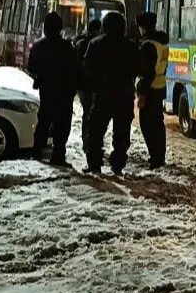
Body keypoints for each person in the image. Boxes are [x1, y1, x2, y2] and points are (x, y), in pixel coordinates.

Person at [83, 11, 138, 175]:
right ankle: (118, 165)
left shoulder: (95, 44)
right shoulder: (131, 46)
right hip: (124, 96)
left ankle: (94, 165)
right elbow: (137, 68)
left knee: (95, 132)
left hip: (102, 95)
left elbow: (88, 68)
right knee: (121, 134)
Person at [26, 12, 79, 166]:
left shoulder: (38, 46)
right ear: (60, 28)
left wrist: (41, 76)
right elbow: (74, 69)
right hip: (64, 93)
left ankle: (37, 151)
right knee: (62, 126)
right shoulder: (67, 47)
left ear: (45, 28)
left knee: (43, 122)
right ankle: (58, 156)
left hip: (47, 91)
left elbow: (31, 68)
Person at [136, 11, 169, 169]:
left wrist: (142, 93)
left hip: (149, 89)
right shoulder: (162, 42)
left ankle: (155, 158)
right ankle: (159, 157)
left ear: (144, 27)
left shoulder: (148, 45)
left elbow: (147, 71)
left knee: (147, 125)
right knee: (158, 124)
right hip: (160, 86)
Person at [72, 18, 102, 149]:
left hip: (84, 84)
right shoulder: (88, 44)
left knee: (89, 112)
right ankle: (88, 140)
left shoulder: (80, 42)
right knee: (90, 112)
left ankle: (88, 140)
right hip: (87, 85)